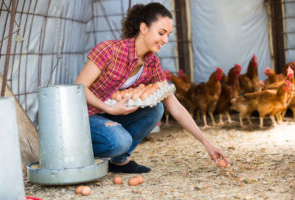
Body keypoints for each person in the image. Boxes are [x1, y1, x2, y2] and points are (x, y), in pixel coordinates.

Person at [75, 2, 228, 174]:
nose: (165, 40)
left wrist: (207, 143)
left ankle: (119, 160)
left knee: (156, 109)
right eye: (161, 33)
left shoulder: (152, 63)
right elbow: (79, 88)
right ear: (143, 28)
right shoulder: (110, 50)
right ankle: (79, 153)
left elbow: (175, 106)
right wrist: (108, 108)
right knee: (120, 142)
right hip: (88, 117)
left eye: (168, 35)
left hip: (113, 115)